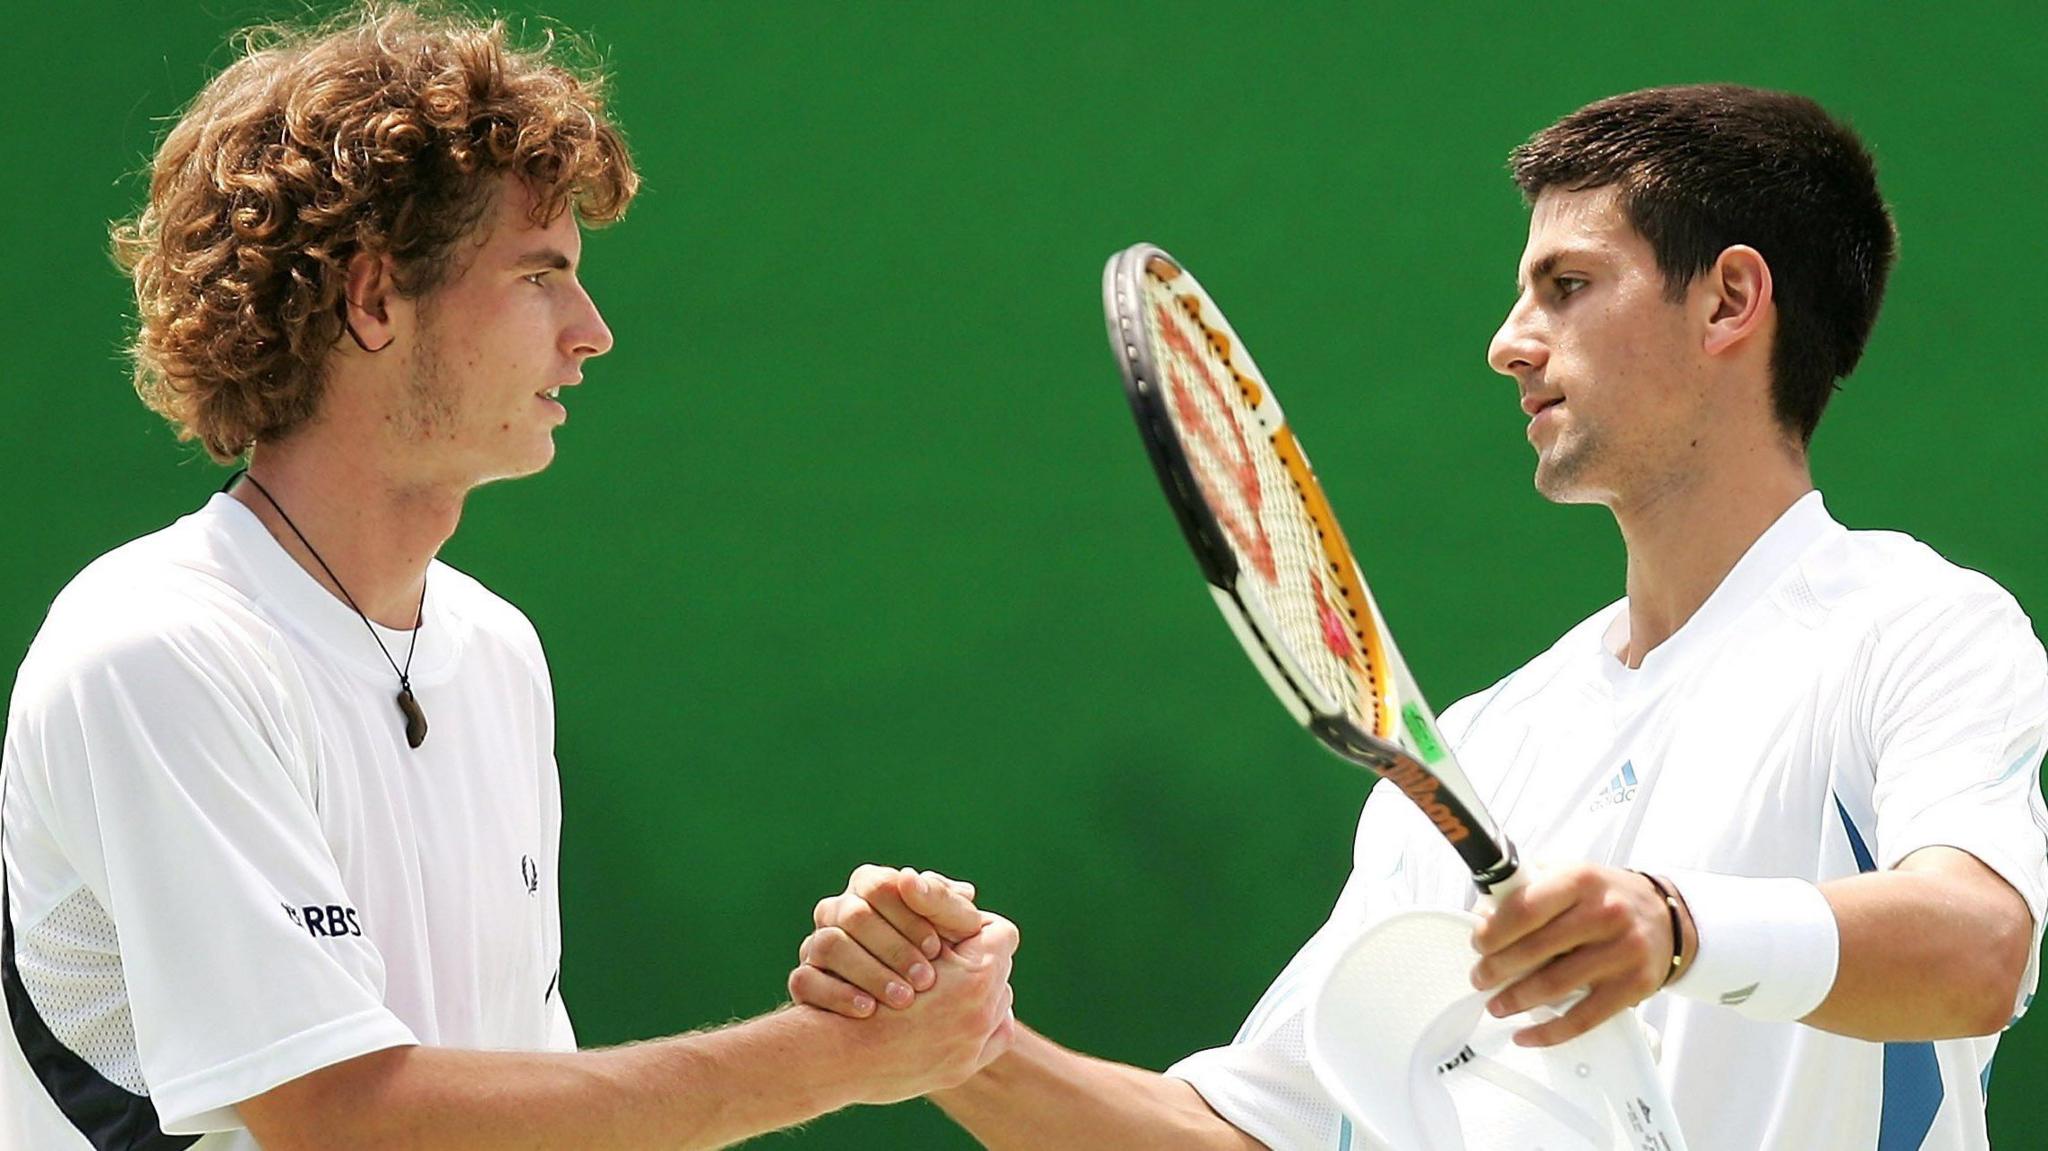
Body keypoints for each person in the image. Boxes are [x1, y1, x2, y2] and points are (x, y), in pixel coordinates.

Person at [790, 84, 2048, 1150]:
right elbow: (1251, 1131)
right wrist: (962, 1046)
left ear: (1727, 301)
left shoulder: (1916, 627)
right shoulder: (1475, 750)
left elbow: (1977, 949)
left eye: (1566, 285)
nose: (1509, 342)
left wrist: (1673, 924)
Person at [0, 7, 1017, 1150]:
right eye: (540, 275)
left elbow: (520, 1106)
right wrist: (838, 1053)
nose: (591, 331)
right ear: (374, 297)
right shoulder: (154, 648)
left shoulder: (493, 649)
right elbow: (343, 1119)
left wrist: (883, 990)